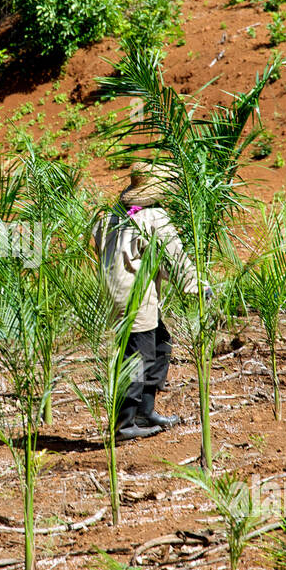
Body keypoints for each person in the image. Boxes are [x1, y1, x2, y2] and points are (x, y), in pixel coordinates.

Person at [92, 162, 202, 441]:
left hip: (114, 293)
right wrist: (197, 286)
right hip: (135, 297)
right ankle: (124, 424)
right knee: (137, 357)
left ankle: (145, 411)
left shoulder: (114, 214)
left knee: (160, 342)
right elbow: (174, 257)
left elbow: (98, 241)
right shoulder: (154, 217)